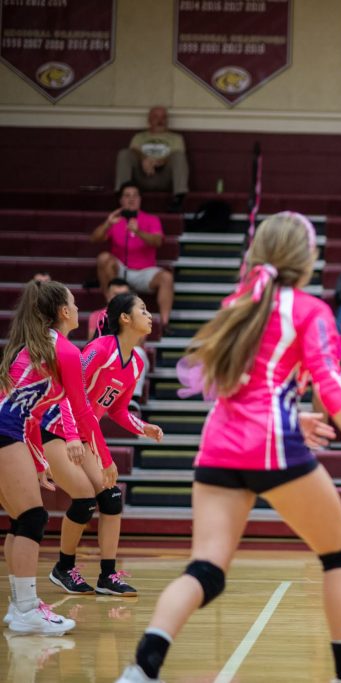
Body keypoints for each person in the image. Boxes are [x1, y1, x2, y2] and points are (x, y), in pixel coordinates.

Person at [116, 212, 341, 683]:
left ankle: (141, 670)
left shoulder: (239, 300)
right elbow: (332, 385)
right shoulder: (309, 309)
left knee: (206, 570)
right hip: (270, 444)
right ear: (305, 258)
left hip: (218, 446)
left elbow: (238, 385)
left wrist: (294, 414)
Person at [38, 292, 164, 599]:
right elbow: (68, 393)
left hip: (83, 434)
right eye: (143, 311)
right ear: (124, 318)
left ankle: (108, 576)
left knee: (111, 498)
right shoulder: (98, 350)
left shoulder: (134, 364)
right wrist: (71, 437)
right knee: (83, 500)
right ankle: (63, 568)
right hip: (56, 427)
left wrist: (141, 426)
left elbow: (117, 410)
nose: (150, 316)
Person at [0, 280, 97, 635]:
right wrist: (102, 456)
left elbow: (33, 416)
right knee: (32, 517)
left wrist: (39, 464)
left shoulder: (33, 348)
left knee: (19, 519)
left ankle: (19, 606)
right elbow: (83, 410)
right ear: (63, 312)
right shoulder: (64, 352)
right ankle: (26, 608)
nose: (76, 308)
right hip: (4, 431)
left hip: (10, 432)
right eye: (72, 302)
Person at [91, 183, 176, 334]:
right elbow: (94, 239)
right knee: (104, 258)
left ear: (140, 199)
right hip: (120, 269)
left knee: (167, 277)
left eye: (135, 195)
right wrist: (107, 224)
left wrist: (138, 231)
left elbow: (157, 241)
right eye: (127, 196)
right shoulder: (115, 220)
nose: (131, 199)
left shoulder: (150, 219)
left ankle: (164, 323)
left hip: (144, 271)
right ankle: (112, 311)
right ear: (121, 200)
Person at [115, 106, 189, 212]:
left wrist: (157, 162)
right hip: (142, 176)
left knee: (179, 156)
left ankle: (178, 199)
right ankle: (122, 195)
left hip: (165, 177)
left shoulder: (176, 138)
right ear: (149, 120)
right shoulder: (139, 137)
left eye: (163, 117)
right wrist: (144, 159)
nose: (160, 121)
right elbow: (133, 150)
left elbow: (176, 154)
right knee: (124, 153)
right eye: (156, 117)